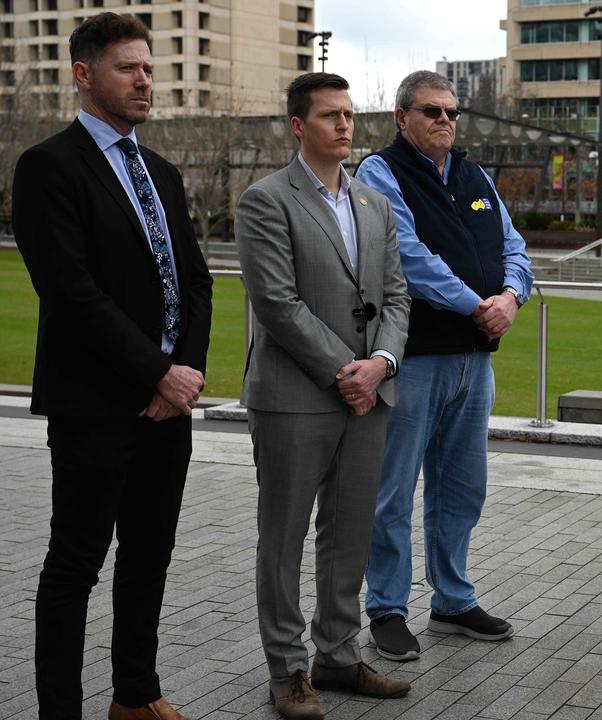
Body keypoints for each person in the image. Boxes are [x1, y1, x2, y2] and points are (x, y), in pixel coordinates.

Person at [11, 12, 212, 720]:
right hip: (96, 405)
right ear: (83, 73)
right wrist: (154, 374)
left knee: (149, 557)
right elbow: (70, 292)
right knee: (75, 565)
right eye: (129, 68)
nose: (145, 80)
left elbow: (195, 280)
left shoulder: (161, 169)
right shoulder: (47, 166)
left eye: (150, 68)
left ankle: (135, 694)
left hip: (167, 407)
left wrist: (181, 374)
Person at [235, 72, 412, 720]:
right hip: (296, 396)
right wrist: (351, 370)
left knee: (351, 534)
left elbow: (396, 295)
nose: (345, 125)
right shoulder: (265, 201)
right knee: (282, 537)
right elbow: (278, 305)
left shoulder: (374, 203)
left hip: (367, 397)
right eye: (331, 115)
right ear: (297, 126)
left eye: (349, 114)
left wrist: (381, 364)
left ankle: (335, 655)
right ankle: (287, 670)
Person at [355, 70, 533, 659]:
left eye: (452, 112)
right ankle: (385, 607)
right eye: (431, 111)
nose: (445, 122)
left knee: (463, 487)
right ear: (401, 117)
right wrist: (474, 304)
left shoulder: (475, 173)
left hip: (473, 362)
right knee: (393, 490)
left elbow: (515, 247)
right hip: (415, 358)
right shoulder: (380, 172)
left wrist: (510, 296)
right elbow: (406, 254)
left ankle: (452, 600)